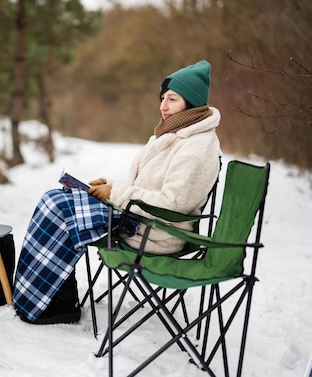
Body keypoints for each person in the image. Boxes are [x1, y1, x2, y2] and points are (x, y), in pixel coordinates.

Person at [13, 60, 222, 323]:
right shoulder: (173, 134)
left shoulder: (196, 147)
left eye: (173, 99)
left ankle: (44, 301)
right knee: (57, 198)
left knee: (60, 208)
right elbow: (144, 187)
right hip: (142, 219)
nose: (163, 106)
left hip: (157, 232)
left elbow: (173, 203)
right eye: (162, 98)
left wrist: (115, 192)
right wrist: (106, 184)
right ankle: (41, 295)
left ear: (191, 103)